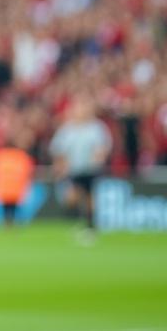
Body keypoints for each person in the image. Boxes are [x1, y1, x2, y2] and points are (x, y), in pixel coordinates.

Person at [49, 98, 112, 239]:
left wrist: (99, 157)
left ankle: (90, 226)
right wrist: (60, 165)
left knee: (90, 198)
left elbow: (103, 147)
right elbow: (58, 149)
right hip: (74, 170)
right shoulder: (68, 129)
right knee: (71, 198)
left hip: (91, 169)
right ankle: (84, 222)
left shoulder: (96, 128)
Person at [0, 138, 35, 226]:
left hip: (3, 188)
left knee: (7, 207)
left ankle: (8, 222)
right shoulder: (21, 156)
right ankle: (11, 222)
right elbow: (28, 171)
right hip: (16, 188)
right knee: (13, 207)